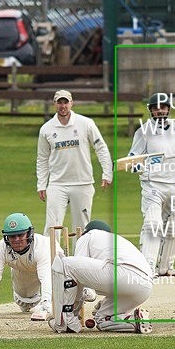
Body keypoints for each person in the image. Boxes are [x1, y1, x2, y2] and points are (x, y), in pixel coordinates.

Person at [127, 93, 175, 277]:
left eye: (163, 107)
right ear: (150, 110)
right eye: (156, 108)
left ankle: (166, 267)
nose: (160, 111)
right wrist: (136, 165)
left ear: (168, 109)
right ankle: (147, 268)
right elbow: (133, 157)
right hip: (153, 186)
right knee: (153, 224)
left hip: (174, 185)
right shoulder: (143, 132)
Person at [48, 220, 153, 334]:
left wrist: (76, 306)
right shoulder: (116, 241)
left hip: (123, 273)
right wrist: (104, 302)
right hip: (145, 287)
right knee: (102, 319)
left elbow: (77, 273)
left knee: (65, 264)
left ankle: (66, 322)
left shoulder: (88, 236)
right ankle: (134, 321)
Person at [36, 89, 113, 238]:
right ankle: (50, 260)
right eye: (60, 102)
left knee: (82, 228)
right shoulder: (46, 129)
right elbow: (42, 159)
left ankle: (80, 259)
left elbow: (101, 148)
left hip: (82, 182)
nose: (63, 106)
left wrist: (107, 173)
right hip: (57, 184)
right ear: (54, 104)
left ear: (72, 103)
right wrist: (41, 184)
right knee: (52, 226)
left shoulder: (86, 123)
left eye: (66, 102)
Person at [0, 213, 59, 321]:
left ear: (29, 233)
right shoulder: (0, 248)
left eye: (20, 235)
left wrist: (47, 301)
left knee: (60, 298)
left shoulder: (42, 246)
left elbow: (46, 275)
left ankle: (78, 292)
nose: (17, 240)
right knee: (25, 301)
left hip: (55, 268)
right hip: (25, 270)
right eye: (12, 236)